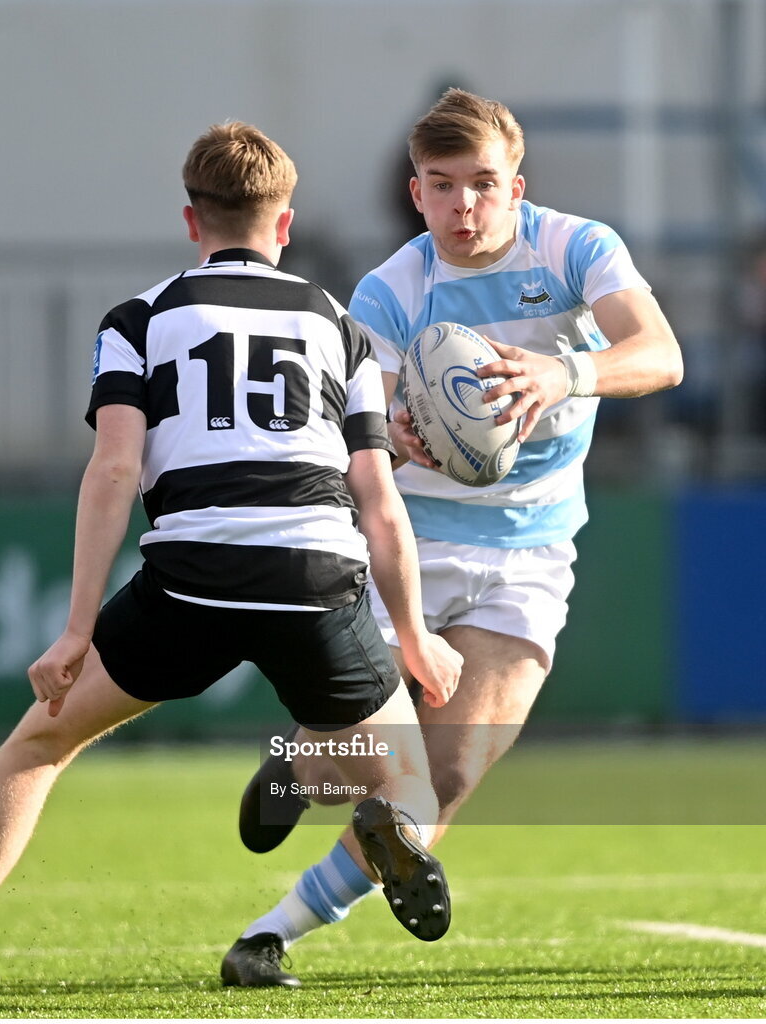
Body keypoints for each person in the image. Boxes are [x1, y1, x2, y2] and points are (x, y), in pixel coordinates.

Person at [0, 121, 463, 1006]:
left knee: (38, 744)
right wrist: (414, 635)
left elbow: (114, 470)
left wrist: (78, 628)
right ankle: (349, 796)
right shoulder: (341, 330)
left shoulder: (139, 319)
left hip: (190, 575)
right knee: (412, 784)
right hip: (315, 575)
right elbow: (379, 502)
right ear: (286, 224)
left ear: (193, 223)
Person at [230, 88, 684, 985]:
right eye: (444, 187)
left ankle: (270, 935)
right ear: (416, 192)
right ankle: (295, 767)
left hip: (534, 549)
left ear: (520, 185)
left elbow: (661, 354)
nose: (466, 206)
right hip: (419, 546)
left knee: (452, 770)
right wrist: (395, 437)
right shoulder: (390, 289)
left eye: (484, 184)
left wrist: (565, 373)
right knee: (358, 768)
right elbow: (362, 436)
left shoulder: (574, 247)